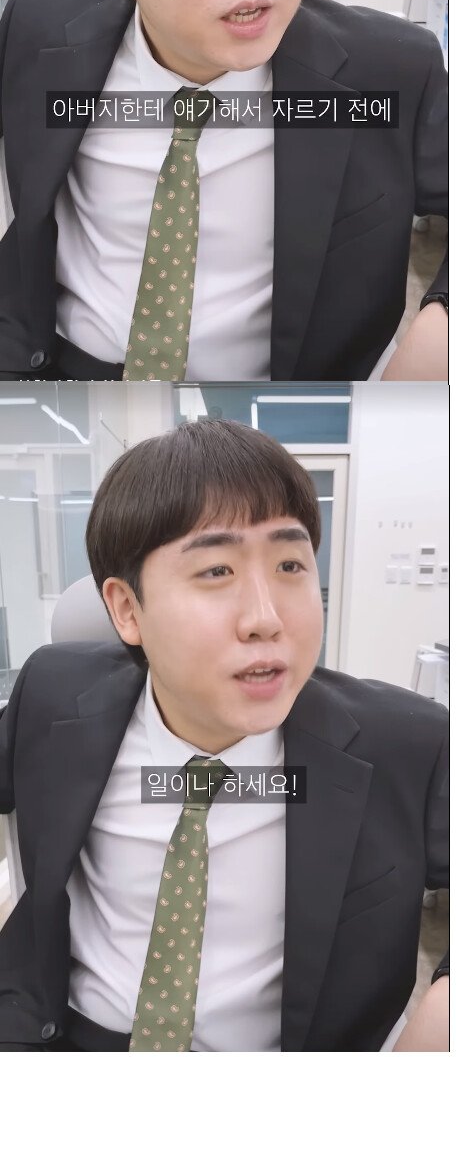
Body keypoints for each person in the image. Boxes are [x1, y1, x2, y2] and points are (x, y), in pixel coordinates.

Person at [0, 0, 448, 401]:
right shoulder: (40, 21)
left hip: (273, 398)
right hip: (59, 368)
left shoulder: (391, 69)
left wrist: (439, 325)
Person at [0, 411, 448, 1051]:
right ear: (127, 610)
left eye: (290, 565)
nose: (266, 619)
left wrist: (442, 1011)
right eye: (216, 571)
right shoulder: (53, 694)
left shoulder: (407, 743)